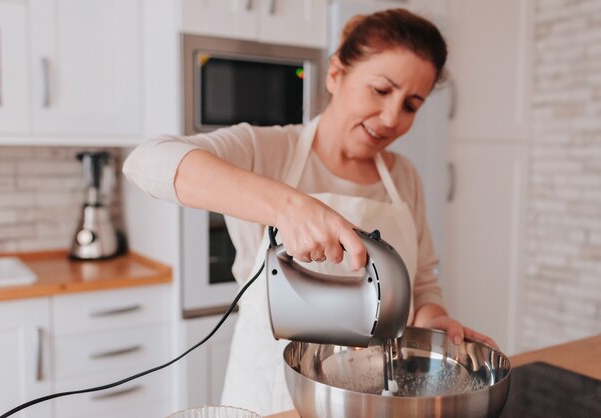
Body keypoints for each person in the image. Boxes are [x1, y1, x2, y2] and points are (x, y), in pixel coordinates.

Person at [124, 8, 498, 416]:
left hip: (368, 400)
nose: (392, 118)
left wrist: (433, 318)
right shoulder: (267, 150)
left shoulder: (403, 177)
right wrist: (290, 207)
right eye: (380, 90)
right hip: (269, 399)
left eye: (410, 105)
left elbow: (423, 280)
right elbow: (146, 163)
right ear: (335, 74)